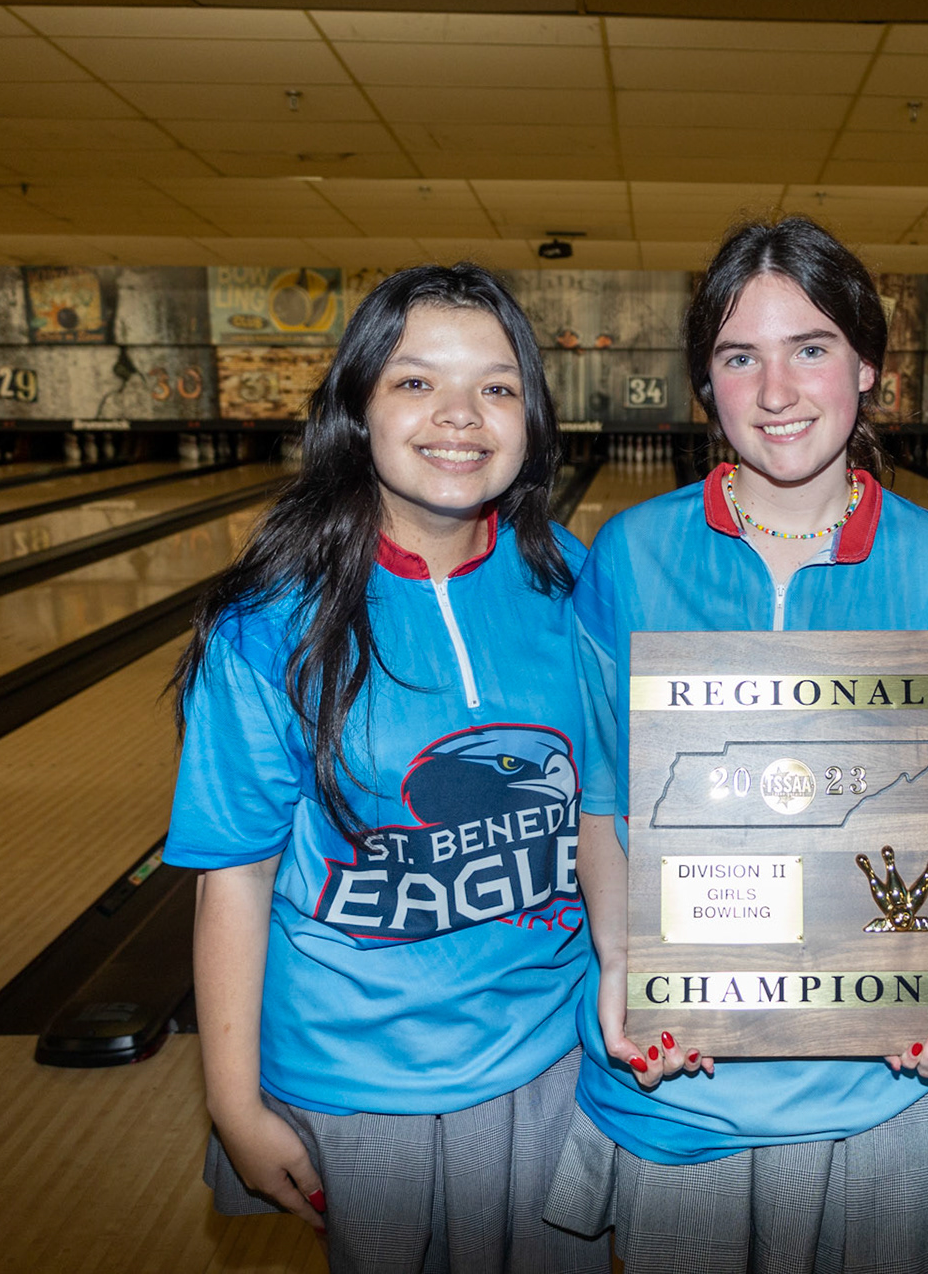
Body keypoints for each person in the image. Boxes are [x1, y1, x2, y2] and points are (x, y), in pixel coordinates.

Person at [541, 216, 928, 1273]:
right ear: (707, 382)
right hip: (682, 1080)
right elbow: (603, 803)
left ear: (868, 364)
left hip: (882, 1085)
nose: (777, 389)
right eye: (740, 356)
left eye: (812, 347)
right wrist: (622, 965)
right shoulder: (633, 555)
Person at [163, 264, 603, 1274]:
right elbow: (235, 872)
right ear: (357, 405)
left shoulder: (577, 584)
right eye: (415, 382)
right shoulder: (267, 627)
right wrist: (233, 1100)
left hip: (554, 1055)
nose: (461, 415)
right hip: (360, 1076)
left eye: (496, 386)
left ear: (531, 414)